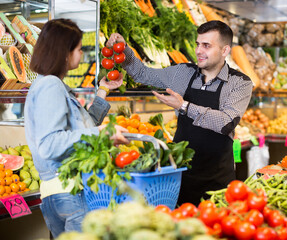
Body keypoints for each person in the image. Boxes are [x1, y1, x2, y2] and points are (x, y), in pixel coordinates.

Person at [107, 20, 253, 205]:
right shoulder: (183, 73)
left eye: (206, 46)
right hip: (180, 174)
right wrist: (123, 49)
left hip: (218, 178)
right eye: (198, 44)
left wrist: (184, 106)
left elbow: (225, 123)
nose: (199, 51)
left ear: (224, 50)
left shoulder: (240, 83)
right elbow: (143, 74)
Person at [24, 19, 129, 238]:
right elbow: (50, 144)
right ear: (65, 53)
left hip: (62, 193)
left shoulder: (50, 84)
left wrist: (102, 90)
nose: (81, 54)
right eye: (79, 49)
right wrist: (101, 134)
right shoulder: (50, 86)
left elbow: (81, 127)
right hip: (69, 192)